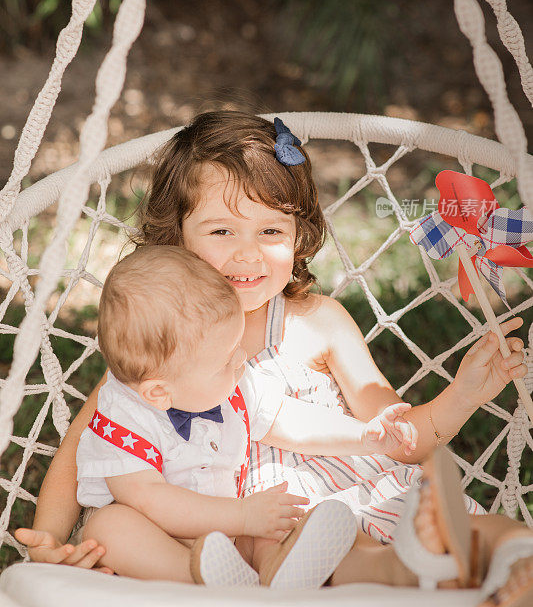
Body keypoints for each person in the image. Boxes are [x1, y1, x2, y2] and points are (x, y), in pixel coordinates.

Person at [16, 112, 533, 604]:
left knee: (464, 528)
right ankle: (420, 571)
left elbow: (399, 435)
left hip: (358, 484)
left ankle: (517, 561)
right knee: (339, 551)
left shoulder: (320, 323)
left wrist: (464, 394)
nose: (249, 254)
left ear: (298, 236)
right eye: (222, 231)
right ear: (176, 238)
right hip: (273, 523)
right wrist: (48, 542)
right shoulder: (159, 350)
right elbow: (80, 451)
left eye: (271, 231)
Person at [74, 243, 417, 586]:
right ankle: (206, 581)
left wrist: (363, 435)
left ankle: (274, 575)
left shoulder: (232, 382)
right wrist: (241, 516)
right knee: (108, 528)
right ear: (159, 393)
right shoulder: (121, 420)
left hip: (230, 534)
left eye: (236, 346)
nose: (241, 359)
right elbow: (151, 501)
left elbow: (289, 419)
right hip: (165, 543)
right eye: (225, 360)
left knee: (273, 520)